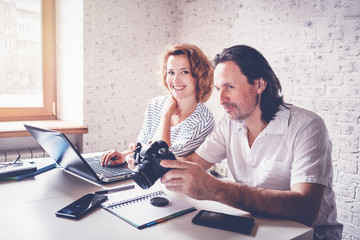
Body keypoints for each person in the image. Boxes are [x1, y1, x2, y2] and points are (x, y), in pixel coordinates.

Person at [159, 45, 343, 239]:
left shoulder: (307, 126)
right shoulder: (230, 124)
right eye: (218, 89)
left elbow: (306, 210)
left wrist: (215, 188)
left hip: (309, 235)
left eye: (229, 87)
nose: (221, 99)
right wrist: (148, 159)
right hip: (258, 227)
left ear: (259, 85)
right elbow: (192, 163)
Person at [100, 43, 215, 166]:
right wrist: (124, 155)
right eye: (171, 72)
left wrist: (166, 116)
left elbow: (163, 160)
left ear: (199, 76)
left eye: (184, 72)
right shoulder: (155, 105)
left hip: (179, 182)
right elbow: (144, 147)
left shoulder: (203, 121)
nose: (175, 79)